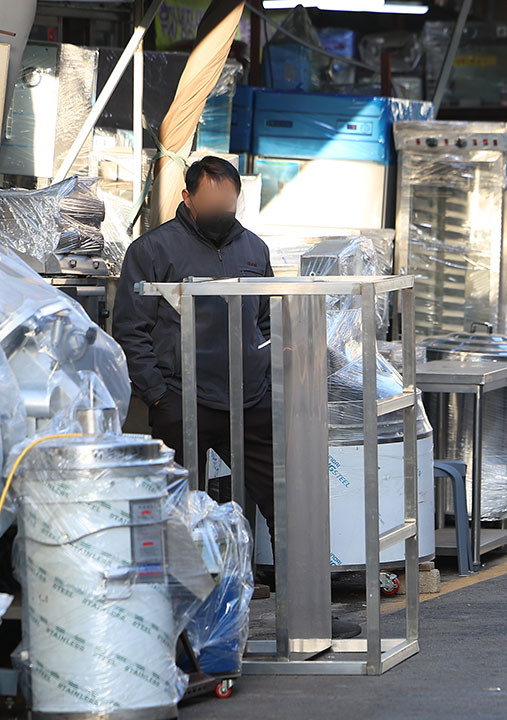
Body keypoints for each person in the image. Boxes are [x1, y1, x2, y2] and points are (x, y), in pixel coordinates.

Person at [113, 156, 361, 639]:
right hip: (181, 398)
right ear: (188, 199)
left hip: (249, 400)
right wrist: (159, 394)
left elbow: (264, 322)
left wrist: (265, 375)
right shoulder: (152, 250)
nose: (222, 211)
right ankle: (176, 626)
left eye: (229, 203)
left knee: (286, 501)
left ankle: (308, 613)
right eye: (212, 203)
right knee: (176, 510)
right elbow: (130, 330)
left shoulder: (254, 247)